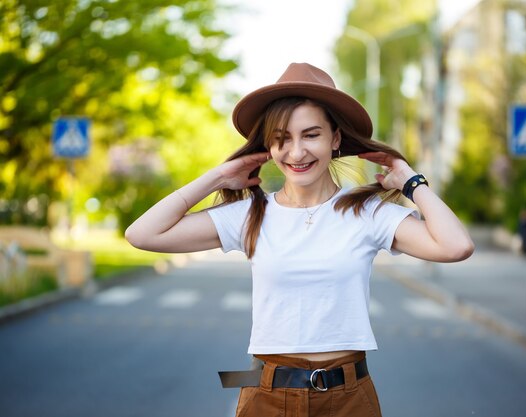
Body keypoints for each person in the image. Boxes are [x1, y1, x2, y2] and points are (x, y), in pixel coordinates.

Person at [125, 62, 474, 417]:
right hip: (267, 397)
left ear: (335, 138)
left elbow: (456, 246)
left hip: (349, 399)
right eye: (281, 139)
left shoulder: (367, 212)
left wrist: (411, 182)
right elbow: (142, 234)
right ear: (268, 146)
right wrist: (217, 177)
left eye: (311, 135)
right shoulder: (250, 214)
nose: (295, 153)